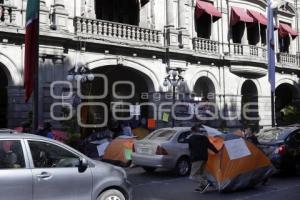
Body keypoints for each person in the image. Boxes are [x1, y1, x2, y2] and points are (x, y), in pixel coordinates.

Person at [184, 125, 219, 193]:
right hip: (204, 157)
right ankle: (201, 187)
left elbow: (183, 141)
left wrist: (187, 137)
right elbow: (210, 146)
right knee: (201, 173)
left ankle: (205, 183)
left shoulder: (192, 138)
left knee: (193, 176)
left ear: (192, 131)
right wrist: (217, 152)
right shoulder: (204, 137)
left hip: (196, 158)